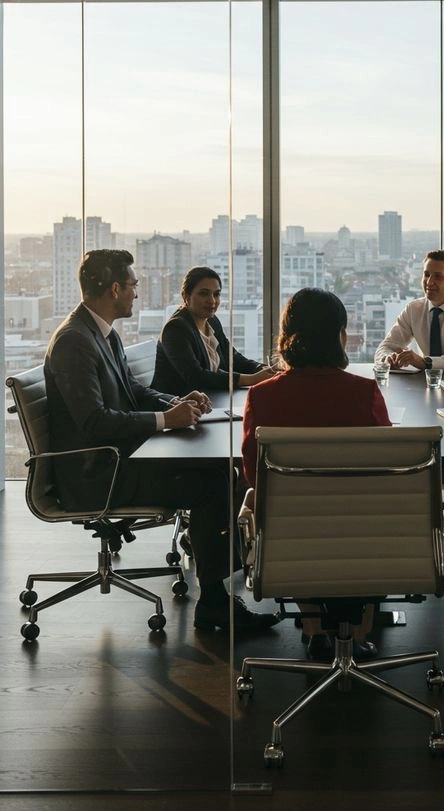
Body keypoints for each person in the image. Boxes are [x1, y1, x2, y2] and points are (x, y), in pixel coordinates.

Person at [44, 249, 279, 636]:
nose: (137, 293)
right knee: (211, 484)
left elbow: (133, 391)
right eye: (133, 285)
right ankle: (215, 603)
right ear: (115, 288)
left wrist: (175, 401)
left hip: (123, 457)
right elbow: (93, 421)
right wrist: (166, 420)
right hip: (98, 474)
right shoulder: (75, 341)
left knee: (221, 469)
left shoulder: (100, 333)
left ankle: (223, 581)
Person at [242, 287, 390, 662]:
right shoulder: (365, 393)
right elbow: (387, 472)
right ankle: (357, 633)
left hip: (290, 537)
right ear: (339, 335)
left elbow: (253, 475)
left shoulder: (262, 396)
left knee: (281, 508)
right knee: (364, 512)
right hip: (365, 537)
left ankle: (314, 628)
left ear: (288, 336)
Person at [152, 266, 275, 396]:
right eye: (204, 294)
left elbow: (232, 358)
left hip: (212, 397)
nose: (212, 301)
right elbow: (196, 377)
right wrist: (252, 379)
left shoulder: (212, 321)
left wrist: (263, 369)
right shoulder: (175, 329)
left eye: (216, 294)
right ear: (186, 296)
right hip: (181, 403)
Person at [374, 249, 444, 372]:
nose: (429, 282)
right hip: (423, 381)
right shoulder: (413, 309)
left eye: (438, 277)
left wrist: (426, 362)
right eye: (426, 274)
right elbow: (385, 347)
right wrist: (388, 359)